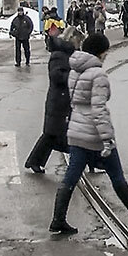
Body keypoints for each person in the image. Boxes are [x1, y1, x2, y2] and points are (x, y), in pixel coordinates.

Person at [49, 33, 128, 234]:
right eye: (106, 51)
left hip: (76, 129)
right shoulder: (98, 74)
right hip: (94, 134)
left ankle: (58, 218)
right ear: (100, 51)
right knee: (116, 172)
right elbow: (98, 109)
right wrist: (107, 138)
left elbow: (77, 101)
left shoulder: (75, 70)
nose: (107, 55)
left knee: (71, 177)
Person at [26, 26, 84, 174]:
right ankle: (35, 161)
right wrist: (73, 75)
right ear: (73, 39)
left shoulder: (67, 53)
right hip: (59, 101)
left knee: (55, 134)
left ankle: (35, 161)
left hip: (62, 100)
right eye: (79, 41)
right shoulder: (59, 55)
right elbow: (56, 75)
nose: (80, 44)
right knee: (53, 134)